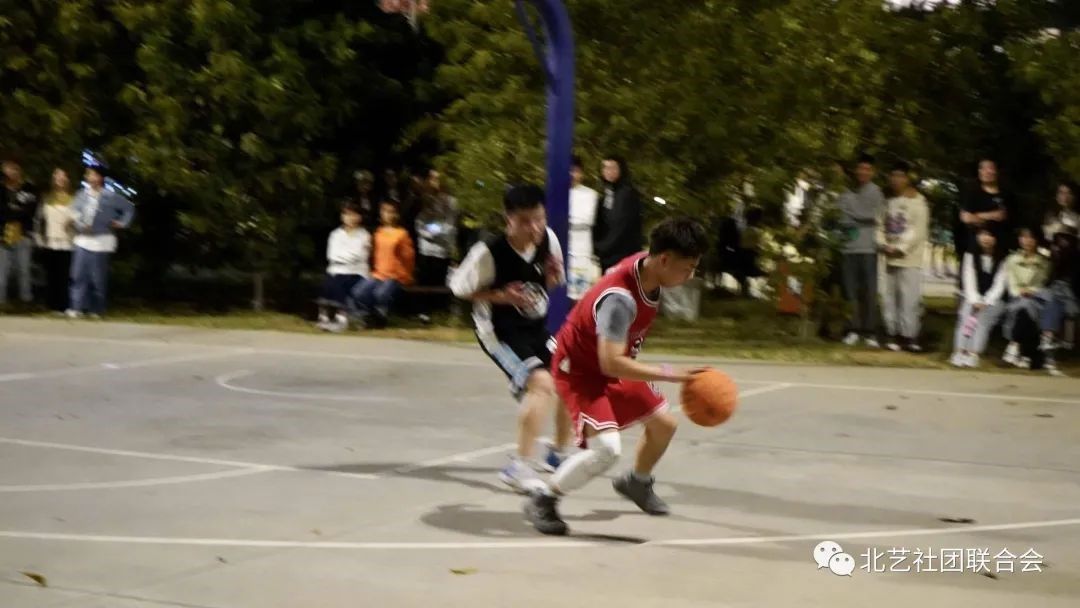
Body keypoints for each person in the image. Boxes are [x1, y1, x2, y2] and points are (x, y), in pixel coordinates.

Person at [523, 217, 710, 536]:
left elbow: (614, 362)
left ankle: (636, 482)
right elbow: (611, 364)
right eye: (687, 268)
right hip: (580, 371)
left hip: (610, 363)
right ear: (665, 260)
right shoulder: (619, 300)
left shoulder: (647, 266)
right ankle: (544, 499)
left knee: (664, 425)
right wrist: (669, 373)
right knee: (607, 450)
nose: (690, 275)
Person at [449, 184, 571, 491]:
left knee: (570, 374)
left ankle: (557, 454)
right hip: (499, 332)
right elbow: (459, 289)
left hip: (534, 328)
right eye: (525, 221)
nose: (534, 228)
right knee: (542, 384)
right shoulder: (488, 253)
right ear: (508, 219)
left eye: (539, 219)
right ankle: (519, 467)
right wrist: (500, 296)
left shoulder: (549, 240)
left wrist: (553, 277)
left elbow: (550, 283)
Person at [67, 163, 135, 318]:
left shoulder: (110, 196)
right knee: (78, 275)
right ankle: (76, 307)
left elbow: (129, 208)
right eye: (88, 174)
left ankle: (96, 309)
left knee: (97, 278)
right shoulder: (82, 195)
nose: (89, 177)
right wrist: (80, 224)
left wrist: (121, 223)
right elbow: (73, 211)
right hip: (82, 240)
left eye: (92, 174)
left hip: (101, 241)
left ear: (100, 177)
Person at [878, 162, 930, 352]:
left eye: (900, 176)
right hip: (889, 256)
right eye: (893, 175)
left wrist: (900, 248)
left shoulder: (919, 202)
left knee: (909, 298)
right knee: (889, 297)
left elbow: (918, 231)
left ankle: (910, 336)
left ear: (907, 178)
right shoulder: (887, 202)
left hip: (910, 258)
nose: (896, 180)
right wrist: (883, 244)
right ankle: (892, 333)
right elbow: (879, 226)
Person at [838, 154, 885, 347]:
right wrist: (856, 216)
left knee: (869, 292)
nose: (863, 172)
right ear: (855, 170)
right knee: (850, 292)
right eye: (860, 168)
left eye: (867, 169)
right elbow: (842, 218)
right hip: (848, 248)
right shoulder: (846, 192)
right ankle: (853, 329)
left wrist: (853, 212)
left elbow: (874, 215)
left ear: (872, 172)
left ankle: (870, 332)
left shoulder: (876, 192)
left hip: (868, 248)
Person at [949, 226, 1007, 368]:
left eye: (990, 235)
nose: (986, 238)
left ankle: (973, 353)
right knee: (967, 316)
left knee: (981, 319)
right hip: (972, 298)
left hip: (994, 300)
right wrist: (975, 300)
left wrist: (986, 301)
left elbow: (999, 284)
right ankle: (959, 351)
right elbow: (969, 279)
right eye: (983, 234)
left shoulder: (1002, 259)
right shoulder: (970, 256)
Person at [351, 200, 414, 328]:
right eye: (385, 211)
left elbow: (408, 258)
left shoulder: (402, 234)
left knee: (380, 294)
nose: (388, 215)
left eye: (391, 212)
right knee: (358, 292)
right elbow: (373, 254)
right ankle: (369, 317)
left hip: (395, 275)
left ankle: (380, 318)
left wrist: (406, 275)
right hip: (378, 273)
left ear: (396, 215)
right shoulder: (378, 232)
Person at [317, 200, 371, 333]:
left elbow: (359, 256)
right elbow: (332, 255)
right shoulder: (335, 234)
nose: (350, 218)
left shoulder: (364, 235)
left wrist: (342, 257)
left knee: (339, 282)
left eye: (353, 214)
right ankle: (324, 317)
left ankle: (341, 318)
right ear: (342, 216)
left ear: (359, 217)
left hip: (356, 271)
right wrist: (347, 257)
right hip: (336, 269)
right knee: (329, 282)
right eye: (347, 214)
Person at [1001, 227, 1050, 368]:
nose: (1027, 241)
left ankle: (1014, 345)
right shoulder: (1011, 259)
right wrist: (1019, 292)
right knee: (1024, 307)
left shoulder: (1044, 262)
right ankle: (1026, 355)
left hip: (1037, 299)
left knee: (1027, 306)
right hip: (1016, 298)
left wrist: (1031, 291)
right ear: (1019, 239)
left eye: (1031, 237)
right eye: (1024, 237)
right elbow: (1010, 281)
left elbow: (1041, 282)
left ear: (1037, 240)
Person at [34, 168, 77, 312]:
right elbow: (38, 220)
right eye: (57, 176)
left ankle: (63, 305)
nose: (60, 178)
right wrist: (39, 238)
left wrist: (73, 223)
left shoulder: (73, 199)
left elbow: (78, 219)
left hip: (67, 242)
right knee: (51, 274)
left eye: (63, 176)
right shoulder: (46, 198)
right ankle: (51, 304)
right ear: (53, 179)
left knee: (64, 275)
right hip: (50, 241)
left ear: (67, 179)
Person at [592, 156, 643, 273]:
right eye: (605, 167)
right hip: (608, 255)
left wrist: (601, 247)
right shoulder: (607, 192)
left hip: (621, 256)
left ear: (621, 170)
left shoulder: (627, 194)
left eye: (613, 168)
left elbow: (621, 225)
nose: (608, 171)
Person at [1, 159, 39, 306]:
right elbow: (2, 213)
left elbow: (30, 211)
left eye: (14, 169)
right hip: (3, 235)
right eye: (8, 169)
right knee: (2, 270)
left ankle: (25, 301)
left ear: (20, 171)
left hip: (24, 234)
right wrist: (16, 211)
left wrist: (11, 212)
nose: (11, 172)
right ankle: (1, 301)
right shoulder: (1, 190)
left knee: (24, 269)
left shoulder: (29, 189)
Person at [567, 155, 600, 301]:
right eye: (568, 171)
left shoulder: (590, 194)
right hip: (559, 248)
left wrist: (565, 221)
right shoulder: (555, 194)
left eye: (575, 171)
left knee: (578, 294)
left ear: (581, 173)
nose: (571, 174)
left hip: (581, 250)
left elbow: (586, 220)